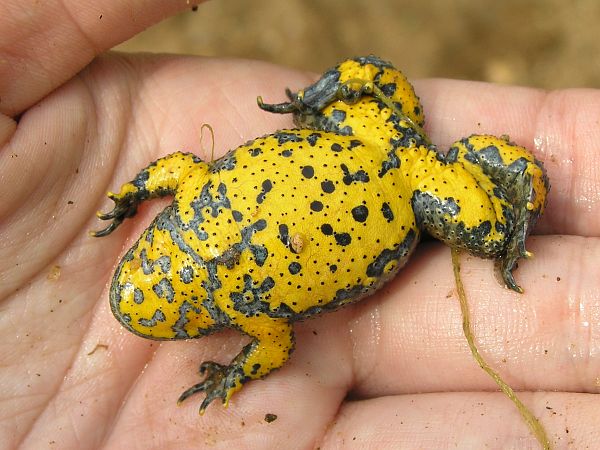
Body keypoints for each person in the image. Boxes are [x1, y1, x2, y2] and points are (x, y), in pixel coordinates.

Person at [1, 1, 598, 448]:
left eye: (142, 257)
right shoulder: (194, 200)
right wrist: (133, 192)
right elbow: (177, 168)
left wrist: (232, 373)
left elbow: (275, 346)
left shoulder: (247, 313)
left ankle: (503, 171)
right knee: (372, 124)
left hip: (407, 183)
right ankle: (355, 98)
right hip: (365, 137)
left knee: (493, 234)